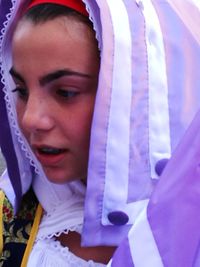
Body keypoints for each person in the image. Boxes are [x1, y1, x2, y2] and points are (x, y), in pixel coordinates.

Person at [0, 0, 200, 266]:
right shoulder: (12, 211)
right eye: (21, 90)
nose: (31, 118)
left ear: (137, 98)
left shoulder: (186, 229)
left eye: (65, 92)